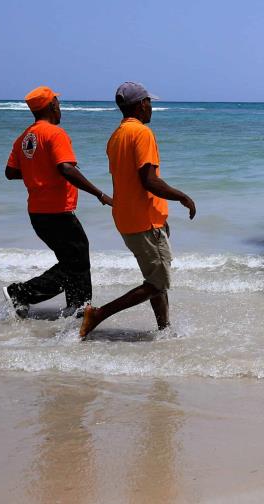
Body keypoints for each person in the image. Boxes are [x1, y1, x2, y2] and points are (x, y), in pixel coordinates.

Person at [79, 82, 196, 340]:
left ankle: (165, 330)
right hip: (145, 221)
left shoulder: (116, 137)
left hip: (129, 218)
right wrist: (182, 196)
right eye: (149, 102)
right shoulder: (141, 133)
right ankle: (99, 314)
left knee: (155, 279)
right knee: (159, 282)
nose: (151, 107)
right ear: (140, 104)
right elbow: (149, 181)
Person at [2, 86, 113, 319]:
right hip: (57, 212)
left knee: (72, 260)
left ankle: (76, 307)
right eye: (58, 103)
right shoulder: (55, 134)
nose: (60, 108)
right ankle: (24, 294)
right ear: (52, 105)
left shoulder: (23, 138)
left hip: (37, 213)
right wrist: (100, 194)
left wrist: (38, 171)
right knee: (77, 260)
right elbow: (65, 168)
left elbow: (10, 172)